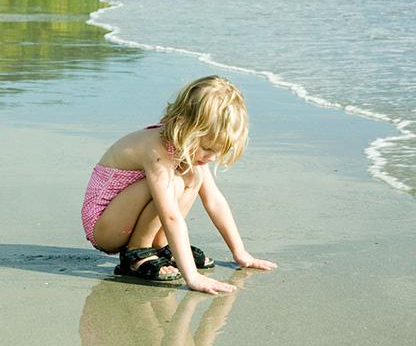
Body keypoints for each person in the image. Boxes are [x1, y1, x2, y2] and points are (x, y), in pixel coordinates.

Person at [81, 76, 277, 295]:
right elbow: (171, 216)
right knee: (174, 183)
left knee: (193, 177)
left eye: (218, 151)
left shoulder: (189, 148)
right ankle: (137, 253)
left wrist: (240, 253)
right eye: (207, 147)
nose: (211, 157)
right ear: (186, 127)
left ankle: (159, 247)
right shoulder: (157, 148)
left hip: (128, 217)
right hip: (105, 226)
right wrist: (191, 276)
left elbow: (214, 201)